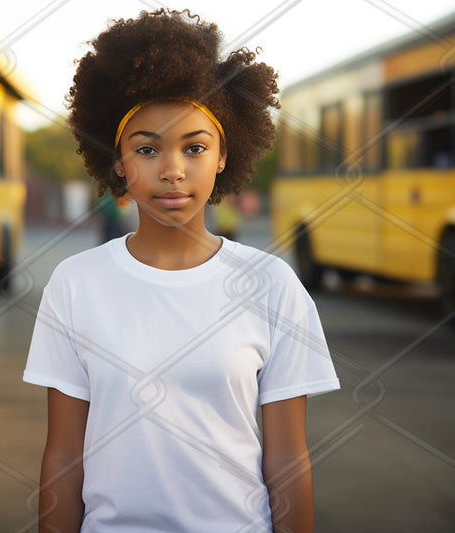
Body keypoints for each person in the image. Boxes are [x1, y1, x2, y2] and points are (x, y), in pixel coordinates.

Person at [23, 9, 340, 533]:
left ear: (222, 156)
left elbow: (287, 459)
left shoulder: (272, 286)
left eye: (194, 147)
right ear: (120, 161)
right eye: (147, 148)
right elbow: (62, 457)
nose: (172, 169)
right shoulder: (76, 285)